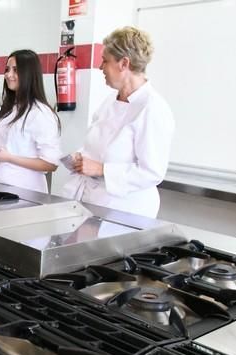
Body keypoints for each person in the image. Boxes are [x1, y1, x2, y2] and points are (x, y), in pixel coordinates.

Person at [62, 26, 175, 218]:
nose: (100, 67)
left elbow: (152, 172)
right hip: (92, 203)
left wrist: (102, 170)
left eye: (105, 61)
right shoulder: (110, 101)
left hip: (126, 211)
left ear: (124, 63)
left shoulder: (153, 108)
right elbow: (97, 146)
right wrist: (80, 158)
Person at [0, 49, 60, 193]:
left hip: (25, 190)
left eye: (16, 70)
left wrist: (9, 158)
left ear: (29, 74)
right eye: (7, 69)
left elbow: (50, 164)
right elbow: (7, 145)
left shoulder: (41, 113)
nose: (9, 75)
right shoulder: (9, 109)